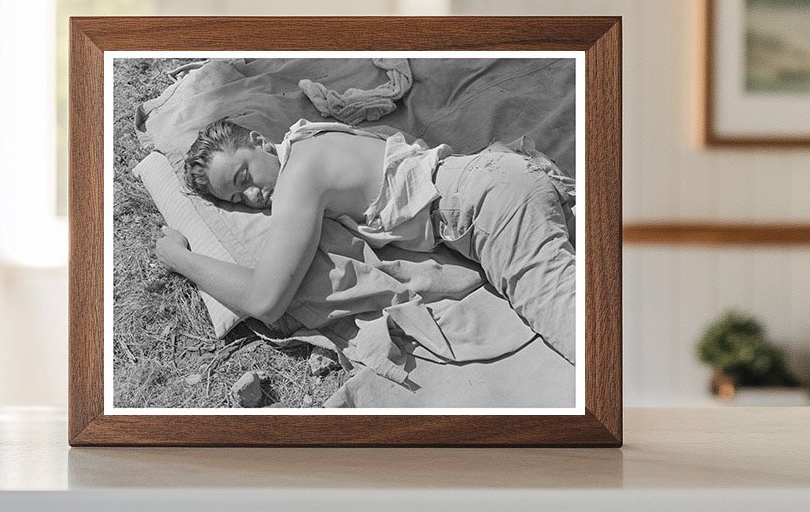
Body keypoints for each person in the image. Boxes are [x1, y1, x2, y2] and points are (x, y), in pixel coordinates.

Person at [154, 118, 576, 364]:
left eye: (244, 176)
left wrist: (178, 257)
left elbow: (265, 299)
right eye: (236, 199)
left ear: (260, 142)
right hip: (501, 175)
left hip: (485, 207)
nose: (252, 197)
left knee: (586, 339)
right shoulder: (318, 134)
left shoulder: (298, 177)